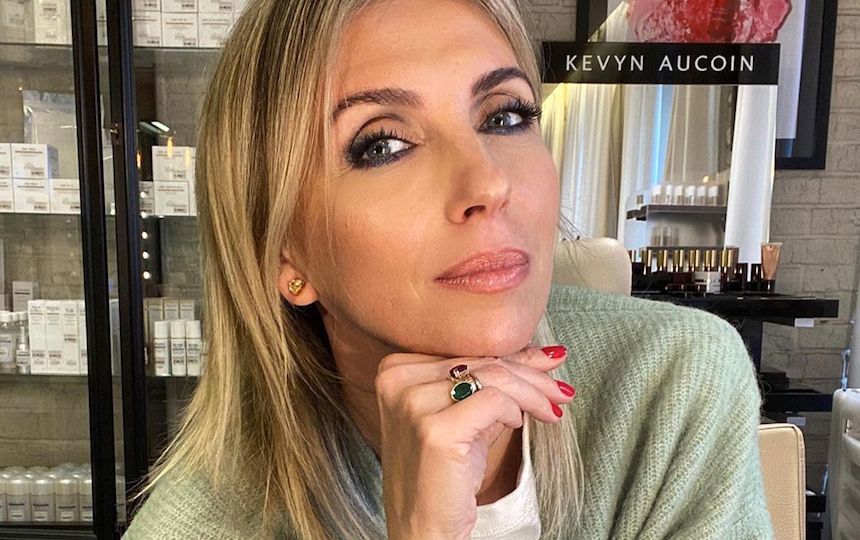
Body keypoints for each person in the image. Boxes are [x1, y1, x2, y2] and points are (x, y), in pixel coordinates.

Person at [124, 0, 774, 538]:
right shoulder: (209, 516)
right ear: (284, 253)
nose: (488, 182)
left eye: (505, 116)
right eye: (383, 145)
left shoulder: (671, 383)